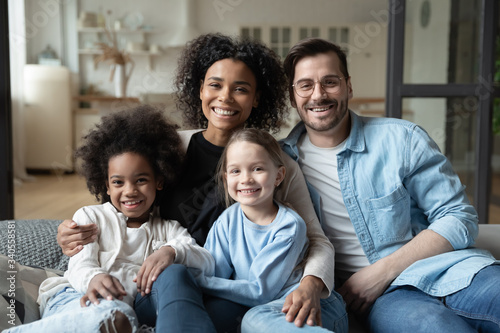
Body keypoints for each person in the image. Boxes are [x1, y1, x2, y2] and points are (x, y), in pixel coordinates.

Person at [55, 33, 347, 332]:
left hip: (238, 290)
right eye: (215, 85)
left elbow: (316, 239)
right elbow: (123, 200)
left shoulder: (275, 163)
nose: (225, 97)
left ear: (257, 98)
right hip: (171, 281)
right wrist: (73, 231)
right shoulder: (168, 148)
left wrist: (311, 285)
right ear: (200, 90)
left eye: (241, 89)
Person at [271, 37, 500, 332]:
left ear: (348, 86)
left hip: (452, 269)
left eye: (330, 82)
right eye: (305, 85)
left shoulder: (402, 139)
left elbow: (459, 217)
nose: (318, 95)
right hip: (389, 300)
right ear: (292, 96)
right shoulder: (278, 163)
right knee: (435, 327)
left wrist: (380, 272)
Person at [6, 106, 217, 333]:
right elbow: (80, 264)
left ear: (159, 181)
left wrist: (172, 251)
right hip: (76, 295)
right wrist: (94, 278)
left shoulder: (168, 229)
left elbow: (206, 262)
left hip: (124, 310)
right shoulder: (91, 217)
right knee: (114, 317)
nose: (130, 191)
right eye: (118, 182)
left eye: (141, 180)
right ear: (106, 185)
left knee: (120, 320)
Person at [197, 128, 338, 332]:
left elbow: (260, 292)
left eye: (257, 169)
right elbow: (214, 272)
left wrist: (195, 279)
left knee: (254, 319)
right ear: (226, 177)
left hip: (311, 305)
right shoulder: (227, 220)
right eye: (236, 171)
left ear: (278, 175)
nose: (246, 179)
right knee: (208, 314)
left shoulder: (289, 225)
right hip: (262, 304)